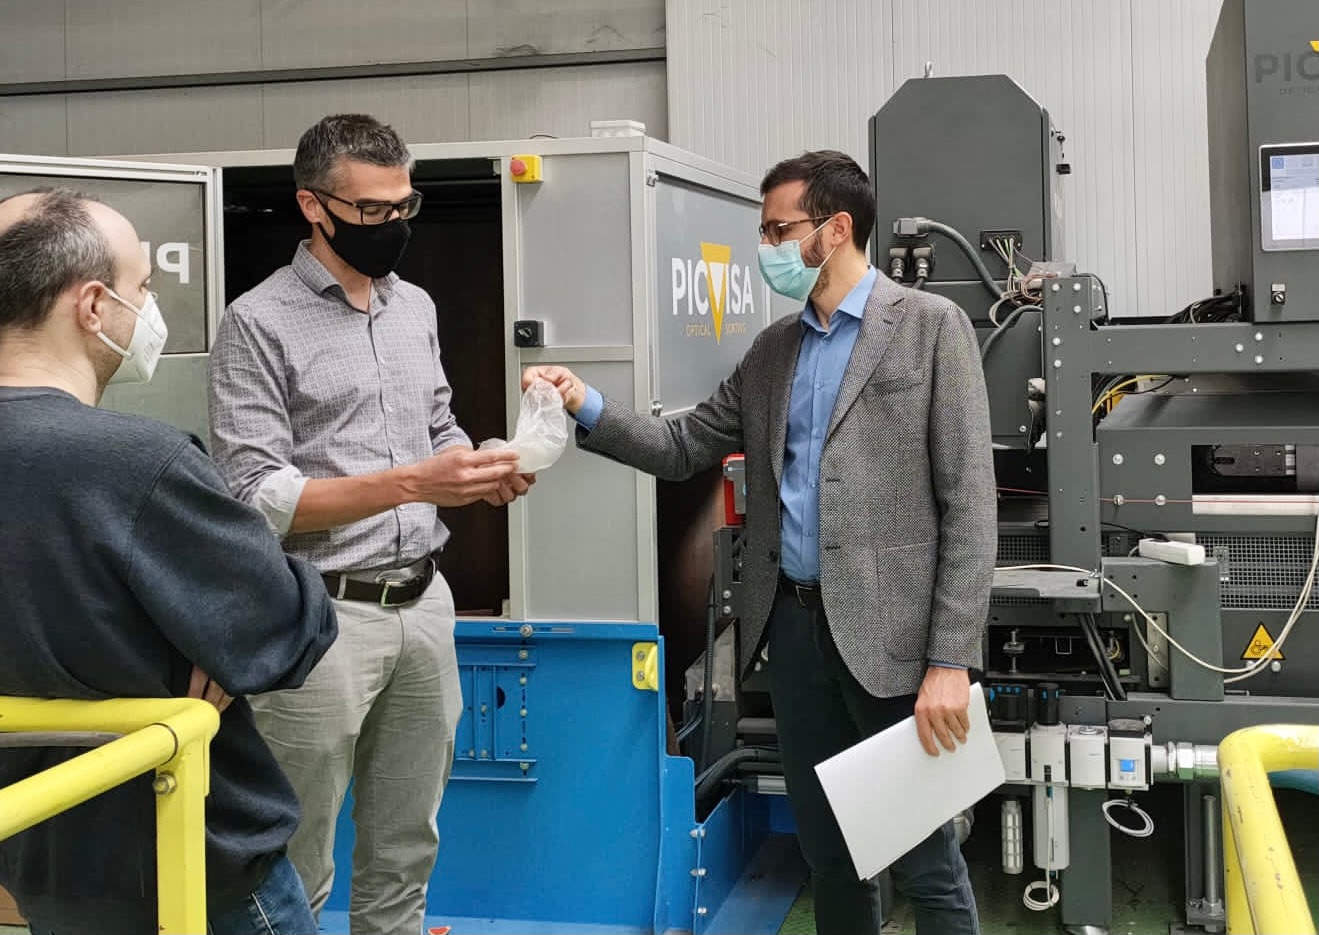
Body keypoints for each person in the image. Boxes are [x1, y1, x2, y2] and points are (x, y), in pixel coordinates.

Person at [525, 150, 996, 935]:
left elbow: (969, 506)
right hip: (795, 632)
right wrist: (585, 402)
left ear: (835, 229)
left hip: (896, 643)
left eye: (780, 230)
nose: (767, 246)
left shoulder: (928, 328)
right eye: (765, 230)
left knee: (924, 858)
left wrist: (949, 660)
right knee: (830, 852)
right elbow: (682, 446)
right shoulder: (773, 351)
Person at [208, 113, 527, 935]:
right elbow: (255, 494)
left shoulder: (412, 306)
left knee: (406, 845)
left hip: (423, 604)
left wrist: (480, 466)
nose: (393, 224)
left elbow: (437, 424)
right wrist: (414, 481)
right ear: (312, 206)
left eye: (403, 205)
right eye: (372, 210)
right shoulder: (257, 321)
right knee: (296, 855)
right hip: (319, 615)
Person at [0, 188, 338, 935]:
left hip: (39, 862)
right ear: (95, 305)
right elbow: (287, 628)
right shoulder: (135, 464)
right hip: (191, 865)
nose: (150, 308)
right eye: (143, 286)